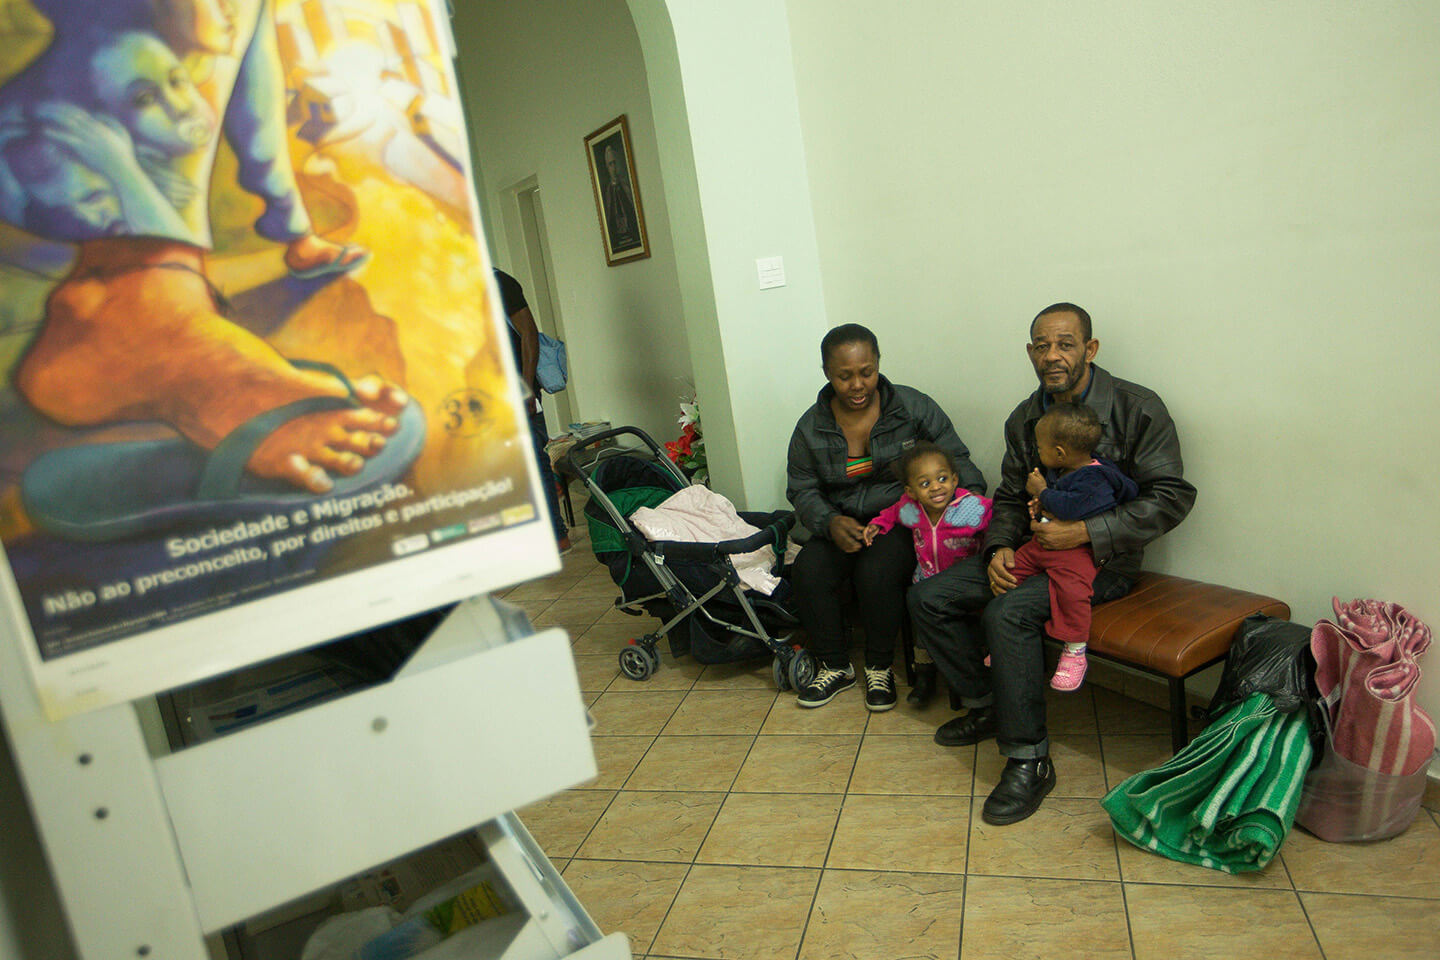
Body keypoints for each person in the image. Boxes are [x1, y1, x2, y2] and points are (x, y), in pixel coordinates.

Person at [908, 302, 1196, 826]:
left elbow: (1172, 496)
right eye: (1042, 346)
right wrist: (998, 547)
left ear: (1090, 348)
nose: (1052, 355)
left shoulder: (1138, 408)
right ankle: (988, 705)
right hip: (1033, 553)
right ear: (1030, 352)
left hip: (1101, 563)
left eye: (1065, 344)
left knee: (1007, 613)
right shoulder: (1025, 418)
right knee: (929, 596)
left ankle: (1029, 760)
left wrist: (1085, 531)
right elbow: (1010, 496)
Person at [786, 324, 985, 712]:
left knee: (877, 570)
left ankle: (879, 667)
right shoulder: (811, 428)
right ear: (827, 373)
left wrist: (969, 503)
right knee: (809, 570)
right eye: (844, 376)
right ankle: (836, 666)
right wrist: (829, 522)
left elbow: (955, 457)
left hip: (900, 518)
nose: (857, 385)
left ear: (878, 364)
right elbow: (803, 489)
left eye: (867, 372)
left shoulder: (911, 407)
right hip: (841, 521)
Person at [1014, 401, 1138, 692]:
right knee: (1012, 570)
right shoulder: (1068, 470)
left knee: (1073, 592)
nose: (1038, 452)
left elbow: (1070, 507)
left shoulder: (1095, 478)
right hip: (1044, 544)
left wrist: (1041, 491)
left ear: (1059, 453)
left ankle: (1075, 650)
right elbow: (1060, 502)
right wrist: (1041, 504)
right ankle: (1010, 642)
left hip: (1077, 553)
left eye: (1040, 448)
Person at [862, 443, 992, 706]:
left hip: (962, 584)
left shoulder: (971, 508)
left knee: (971, 629)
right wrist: (878, 524)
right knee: (923, 633)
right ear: (911, 491)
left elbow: (997, 518)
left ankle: (977, 676)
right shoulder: (911, 509)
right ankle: (925, 676)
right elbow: (893, 513)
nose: (936, 488)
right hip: (926, 581)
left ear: (954, 479)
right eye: (925, 483)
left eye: (942, 479)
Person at [493, 268, 569, 552]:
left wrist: (526, 386)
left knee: (534, 463)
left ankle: (556, 535)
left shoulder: (498, 282)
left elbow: (528, 333)